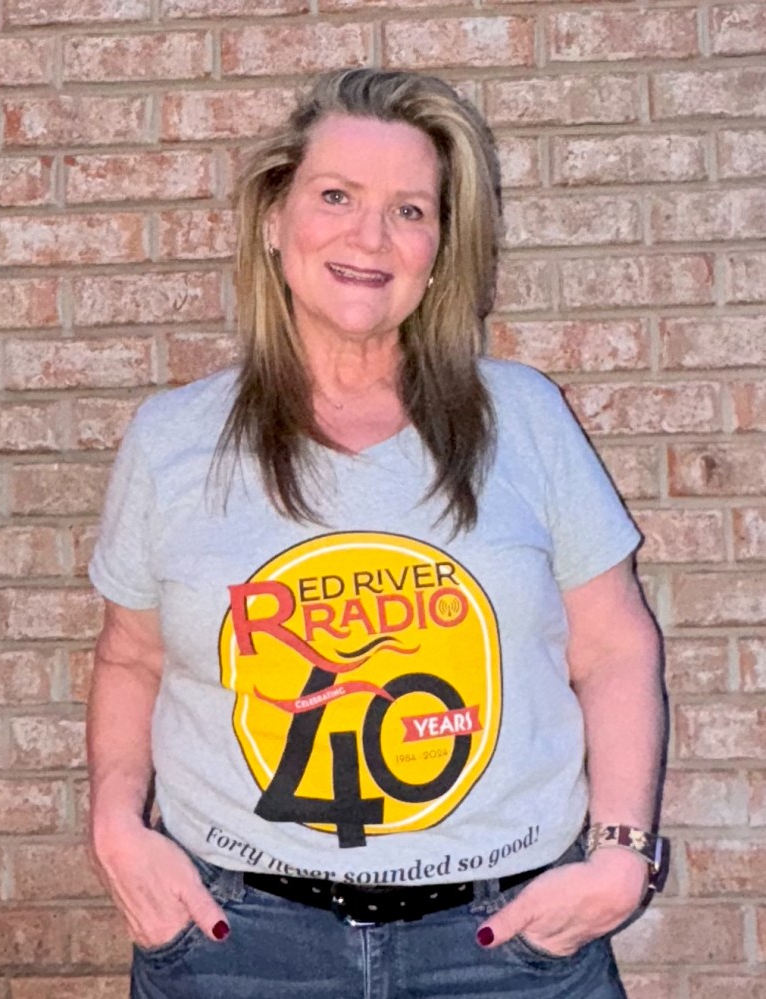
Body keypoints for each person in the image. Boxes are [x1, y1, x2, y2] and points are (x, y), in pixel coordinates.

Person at [87, 68, 666, 999]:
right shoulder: (172, 438)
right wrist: (116, 826)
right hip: (239, 945)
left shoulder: (522, 416)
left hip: (506, 949)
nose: (370, 236)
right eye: (336, 197)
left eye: (409, 211)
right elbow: (129, 659)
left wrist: (620, 854)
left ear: (439, 249)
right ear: (274, 220)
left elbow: (613, 646)